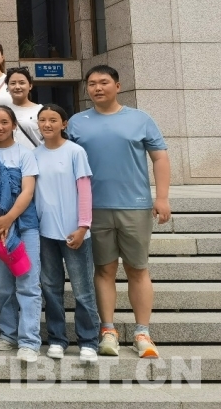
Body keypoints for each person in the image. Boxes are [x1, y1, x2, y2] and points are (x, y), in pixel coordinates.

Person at [67, 65, 170, 359]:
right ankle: (108, 330)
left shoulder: (140, 119)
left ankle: (142, 332)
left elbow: (160, 158)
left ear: (118, 86)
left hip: (135, 206)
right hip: (94, 209)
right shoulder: (77, 122)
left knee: (137, 269)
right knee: (104, 269)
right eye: (92, 84)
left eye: (103, 82)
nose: (97, 88)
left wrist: (162, 197)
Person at [0, 105, 41, 363]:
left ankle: (29, 341)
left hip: (24, 225)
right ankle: (8, 334)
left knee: (28, 282)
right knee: (3, 284)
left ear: (14, 125)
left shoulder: (26, 154)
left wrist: (8, 219)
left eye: (4, 122)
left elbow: (28, 190)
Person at [34, 104, 99, 363]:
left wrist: (83, 226)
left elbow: (85, 190)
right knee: (51, 289)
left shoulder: (75, 151)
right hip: (45, 233)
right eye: (42, 120)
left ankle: (89, 341)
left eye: (53, 120)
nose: (47, 124)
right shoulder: (34, 154)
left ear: (64, 124)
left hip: (75, 232)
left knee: (83, 290)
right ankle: (57, 339)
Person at [5, 67, 42, 149]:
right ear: (7, 87)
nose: (17, 87)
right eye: (13, 83)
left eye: (22, 83)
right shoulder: (4, 112)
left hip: (36, 155)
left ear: (30, 86)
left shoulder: (41, 111)